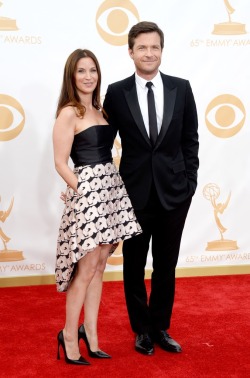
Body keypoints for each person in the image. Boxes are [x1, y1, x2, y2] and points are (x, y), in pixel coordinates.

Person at [103, 21, 199, 355]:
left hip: (175, 193)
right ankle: (141, 329)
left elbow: (190, 141)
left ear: (162, 50)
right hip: (133, 193)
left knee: (165, 265)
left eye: (154, 47)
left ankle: (160, 326)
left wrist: (190, 184)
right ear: (130, 52)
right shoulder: (116, 93)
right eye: (142, 47)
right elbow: (103, 143)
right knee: (133, 265)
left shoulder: (181, 88)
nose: (149, 53)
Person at [52, 48, 142, 365]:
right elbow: (61, 163)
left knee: (100, 267)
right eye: (81, 71)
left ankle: (90, 334)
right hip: (90, 194)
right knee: (86, 268)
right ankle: (67, 335)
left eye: (93, 70)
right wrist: (82, 191)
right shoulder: (68, 113)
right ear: (71, 76)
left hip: (111, 190)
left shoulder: (102, 110)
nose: (88, 76)